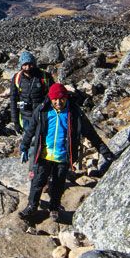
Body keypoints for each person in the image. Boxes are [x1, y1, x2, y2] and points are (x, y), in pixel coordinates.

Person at [19, 83, 115, 221]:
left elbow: (91, 134)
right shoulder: (42, 110)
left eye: (61, 99)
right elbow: (31, 130)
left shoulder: (75, 113)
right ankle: (31, 207)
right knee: (37, 182)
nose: (58, 102)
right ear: (50, 98)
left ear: (66, 97)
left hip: (63, 156)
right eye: (55, 99)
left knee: (58, 183)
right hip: (44, 154)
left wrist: (106, 153)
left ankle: (54, 208)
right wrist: (24, 147)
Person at [10, 51, 53, 133]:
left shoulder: (44, 76)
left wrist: (43, 105)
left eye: (30, 64)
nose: (28, 67)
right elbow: (13, 99)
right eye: (25, 65)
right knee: (30, 142)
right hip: (25, 117)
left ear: (34, 63)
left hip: (42, 115)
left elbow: (51, 94)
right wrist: (15, 122)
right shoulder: (17, 78)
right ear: (21, 65)